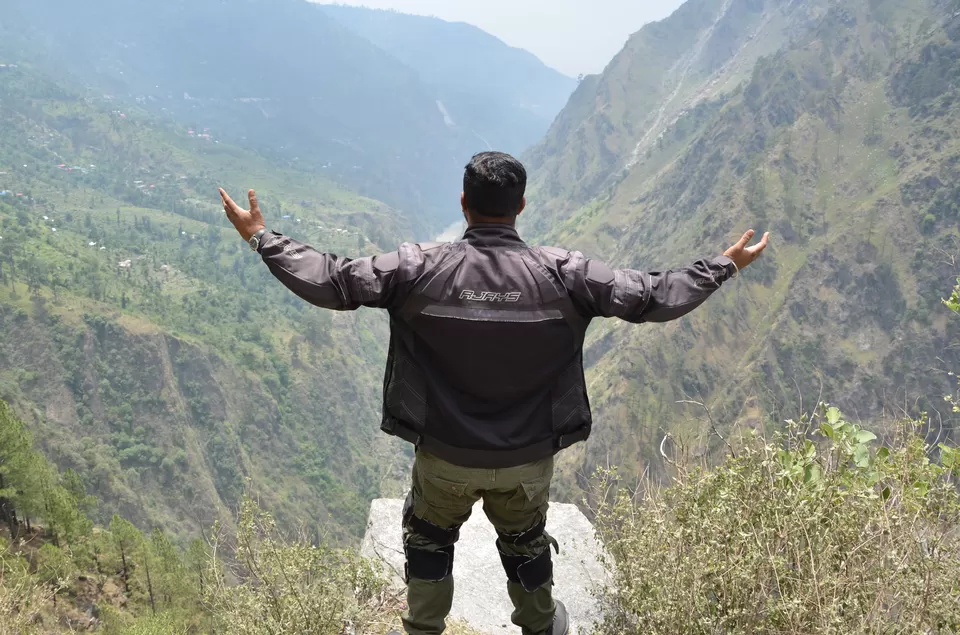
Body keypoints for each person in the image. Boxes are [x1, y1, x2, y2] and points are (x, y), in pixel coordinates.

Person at [219, 151, 769, 635]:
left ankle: (423, 628)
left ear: (463, 203)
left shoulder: (416, 268)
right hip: (526, 457)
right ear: (521, 206)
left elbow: (334, 281)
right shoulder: (566, 274)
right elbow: (651, 296)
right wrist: (723, 266)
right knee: (526, 541)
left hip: (444, 454)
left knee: (429, 540)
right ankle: (539, 625)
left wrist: (262, 236)